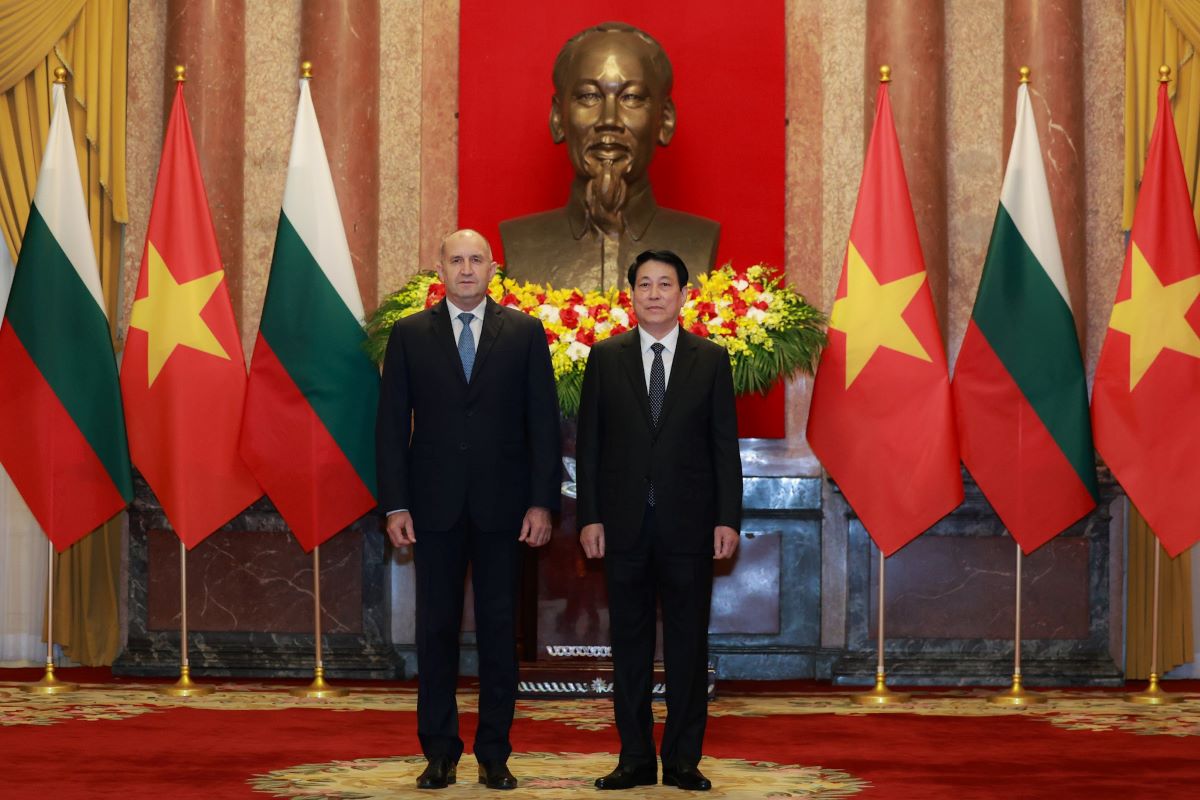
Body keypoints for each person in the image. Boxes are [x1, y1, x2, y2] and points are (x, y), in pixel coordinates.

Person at [376, 229, 561, 791]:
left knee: (501, 634)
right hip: (431, 508)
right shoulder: (409, 335)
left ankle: (494, 753)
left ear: (492, 268)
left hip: (505, 509)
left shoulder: (525, 333)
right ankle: (439, 752)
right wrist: (395, 504)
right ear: (439, 268)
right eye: (455, 260)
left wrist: (542, 502)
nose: (465, 269)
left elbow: (543, 426)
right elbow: (389, 427)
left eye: (475, 260)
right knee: (435, 631)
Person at [576, 249, 742, 791]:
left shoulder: (711, 358)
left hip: (690, 527)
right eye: (643, 283)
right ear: (631, 294)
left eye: (664, 284)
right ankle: (634, 759)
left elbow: (724, 448)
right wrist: (590, 517)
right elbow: (591, 446)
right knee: (629, 646)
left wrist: (727, 518)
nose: (653, 293)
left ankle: (683, 759)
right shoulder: (605, 356)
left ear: (683, 295)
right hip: (622, 526)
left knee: (689, 647)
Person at [499, 22, 719, 291]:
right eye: (589, 96)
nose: (609, 120)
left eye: (632, 97)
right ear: (558, 118)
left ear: (664, 120)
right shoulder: (521, 242)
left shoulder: (699, 240)